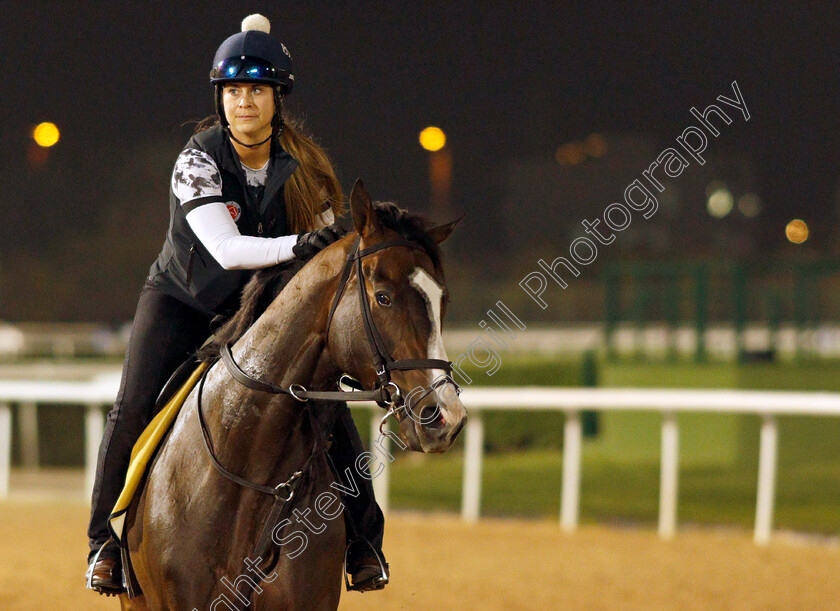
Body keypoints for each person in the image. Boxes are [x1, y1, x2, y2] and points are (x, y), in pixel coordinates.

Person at [86, 14, 387, 596]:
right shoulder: (196, 159)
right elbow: (226, 250)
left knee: (332, 407)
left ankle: (363, 541)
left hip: (261, 310)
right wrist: (302, 245)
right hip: (183, 300)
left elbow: (316, 269)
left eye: (255, 89)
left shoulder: (311, 169)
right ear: (220, 98)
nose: (242, 101)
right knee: (131, 405)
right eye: (232, 90)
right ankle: (103, 542)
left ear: (278, 98)